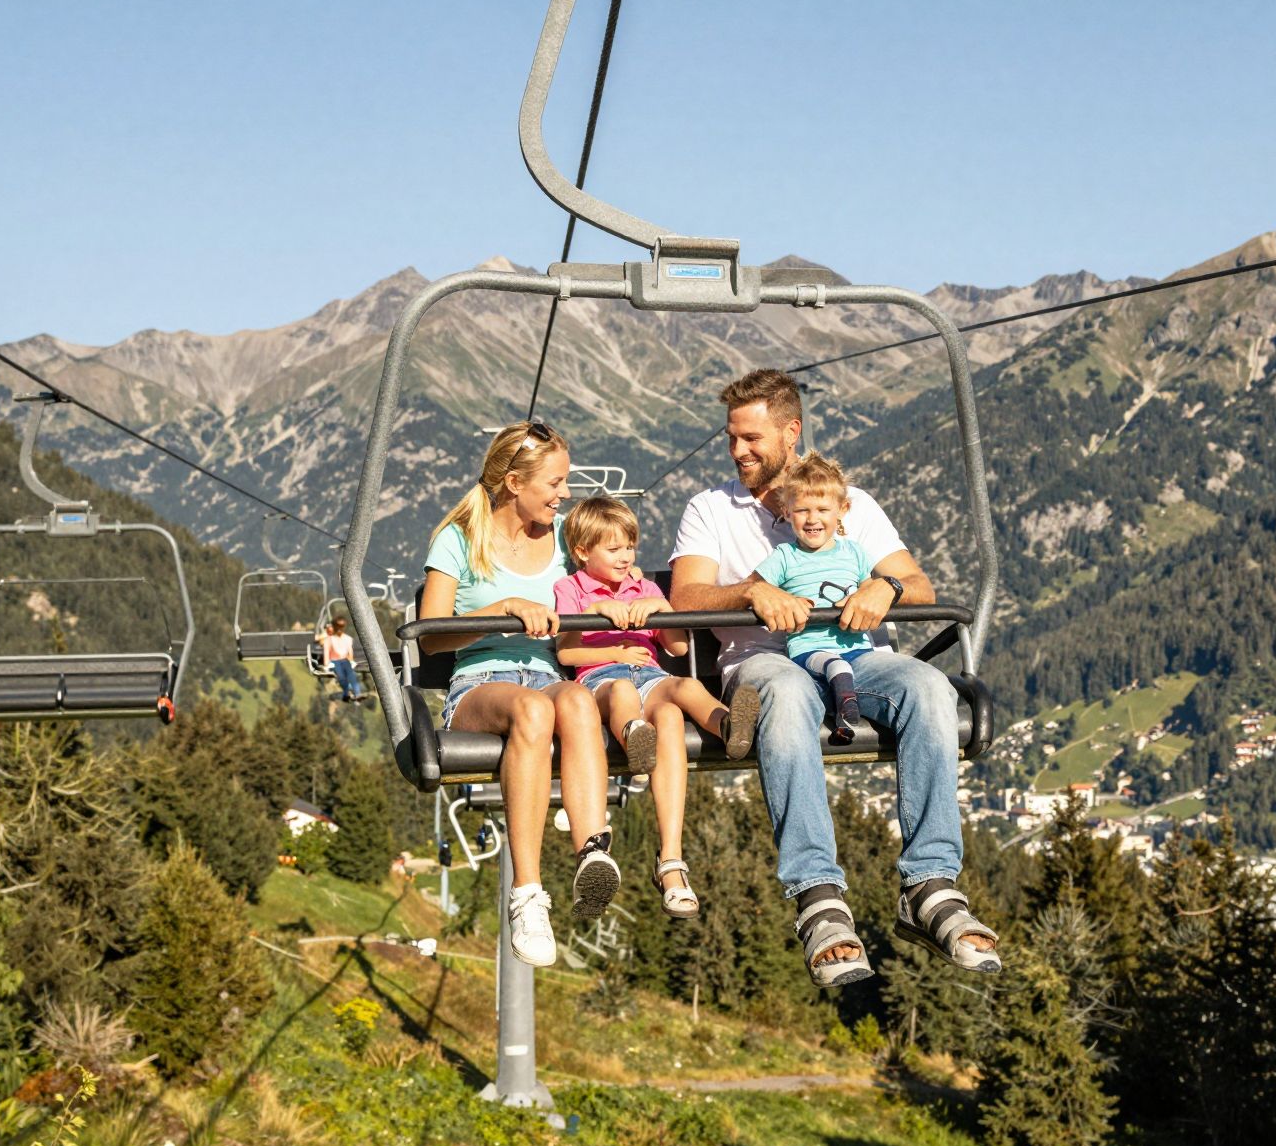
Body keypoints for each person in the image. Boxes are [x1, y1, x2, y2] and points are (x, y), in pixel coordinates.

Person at [668, 368, 1000, 987]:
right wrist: (750, 593)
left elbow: (918, 585)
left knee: (930, 687)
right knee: (788, 695)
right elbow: (685, 596)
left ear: (791, 432)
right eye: (732, 439)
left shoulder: (849, 504)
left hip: (854, 655)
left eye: (752, 439)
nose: (739, 452)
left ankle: (929, 884)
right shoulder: (712, 509)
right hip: (764, 660)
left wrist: (885, 585)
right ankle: (818, 895)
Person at [417, 420, 615, 968]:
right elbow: (431, 634)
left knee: (574, 701)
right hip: (480, 685)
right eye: (553, 483)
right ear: (513, 483)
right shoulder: (459, 538)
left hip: (549, 678)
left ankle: (591, 851)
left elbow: (601, 585)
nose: (564, 494)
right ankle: (527, 895)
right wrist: (500, 611)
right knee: (532, 709)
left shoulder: (559, 542)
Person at [552, 494, 760, 919]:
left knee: (682, 689)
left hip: (651, 676)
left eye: (630, 546)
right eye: (613, 549)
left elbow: (678, 647)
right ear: (582, 552)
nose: (626, 556)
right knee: (626, 696)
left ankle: (728, 726)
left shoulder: (645, 588)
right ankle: (634, 735)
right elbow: (567, 656)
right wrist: (595, 615)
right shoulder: (570, 590)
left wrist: (663, 610)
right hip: (601, 681)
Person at [750, 454, 874, 744]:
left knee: (848, 672)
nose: (813, 519)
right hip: (810, 648)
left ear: (842, 510)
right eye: (803, 510)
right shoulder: (785, 556)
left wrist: (869, 595)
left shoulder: (854, 553)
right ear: (787, 511)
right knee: (836, 668)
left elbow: (868, 589)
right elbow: (756, 587)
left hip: (857, 646)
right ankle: (844, 707)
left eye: (822, 509)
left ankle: (845, 724)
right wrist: (779, 600)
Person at [321, 615, 365, 703]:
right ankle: (346, 693)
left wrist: (351, 660)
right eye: (338, 626)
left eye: (342, 626)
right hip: (334, 661)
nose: (340, 628)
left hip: (345, 660)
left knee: (351, 675)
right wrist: (326, 664)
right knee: (341, 676)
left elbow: (350, 651)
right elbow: (326, 652)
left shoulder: (348, 639)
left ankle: (357, 693)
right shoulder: (329, 639)